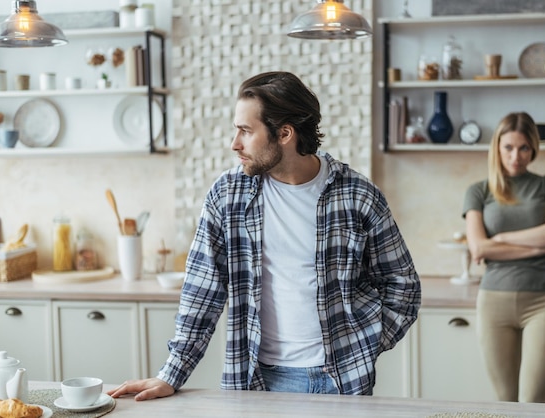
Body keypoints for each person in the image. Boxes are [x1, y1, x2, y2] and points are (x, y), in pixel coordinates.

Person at [108, 71, 421, 400]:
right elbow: (202, 292)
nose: (235, 143)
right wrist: (172, 373)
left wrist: (364, 343)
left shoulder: (357, 195)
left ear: (284, 133)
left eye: (246, 130)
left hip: (342, 382)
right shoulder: (228, 196)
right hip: (256, 381)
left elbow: (403, 287)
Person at [462, 111, 545, 403]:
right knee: (505, 402)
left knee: (534, 401)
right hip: (494, 302)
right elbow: (479, 249)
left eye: (523, 148)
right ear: (497, 147)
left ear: (533, 148)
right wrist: (535, 245)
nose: (515, 156)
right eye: (508, 147)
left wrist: (503, 238)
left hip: (542, 302)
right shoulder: (478, 191)